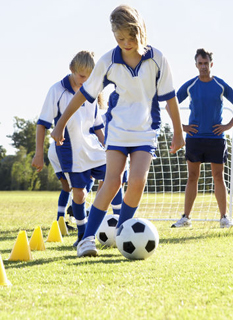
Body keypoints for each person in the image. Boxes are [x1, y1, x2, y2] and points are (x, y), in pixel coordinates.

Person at [51, 5, 185, 257]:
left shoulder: (158, 59)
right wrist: (60, 124)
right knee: (112, 182)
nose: (125, 43)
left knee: (137, 181)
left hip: (146, 131)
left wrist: (178, 132)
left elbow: (170, 98)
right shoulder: (108, 61)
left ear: (141, 32)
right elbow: (83, 95)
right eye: (119, 38)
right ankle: (86, 240)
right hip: (118, 130)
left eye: (130, 37)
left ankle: (124, 233)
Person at [33, 50, 122, 247]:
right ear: (72, 70)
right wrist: (39, 153)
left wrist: (108, 146)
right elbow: (42, 123)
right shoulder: (56, 90)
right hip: (71, 152)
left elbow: (97, 125)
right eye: (82, 76)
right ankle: (83, 235)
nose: (85, 81)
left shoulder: (91, 91)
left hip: (94, 148)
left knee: (114, 178)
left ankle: (121, 226)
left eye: (89, 77)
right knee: (79, 194)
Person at [170, 48, 233, 228]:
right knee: (192, 177)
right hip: (194, 139)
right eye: (200, 63)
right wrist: (181, 128)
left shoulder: (219, 85)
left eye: (206, 63)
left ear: (211, 64)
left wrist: (228, 126)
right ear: (196, 65)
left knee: (218, 177)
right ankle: (186, 218)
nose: (203, 66)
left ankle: (224, 218)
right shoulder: (190, 85)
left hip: (215, 139)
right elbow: (170, 104)